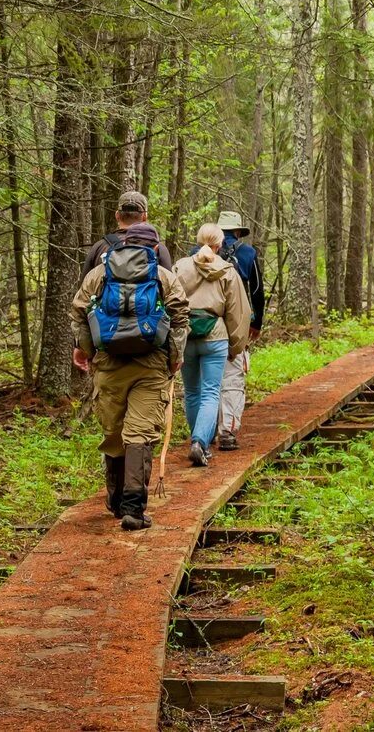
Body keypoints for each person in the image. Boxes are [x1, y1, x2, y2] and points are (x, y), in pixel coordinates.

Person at [70, 238, 189, 530]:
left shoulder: (99, 273)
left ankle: (116, 499)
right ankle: (134, 510)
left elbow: (79, 312)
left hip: (109, 364)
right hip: (150, 364)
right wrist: (175, 356)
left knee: (114, 430)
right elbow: (180, 314)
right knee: (140, 433)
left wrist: (87, 350)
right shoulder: (162, 275)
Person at [173, 224, 251, 467]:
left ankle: (197, 440)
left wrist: (172, 342)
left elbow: (171, 302)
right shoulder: (227, 270)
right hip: (215, 337)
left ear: (198, 240)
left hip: (186, 336)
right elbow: (238, 312)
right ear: (219, 245)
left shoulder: (180, 267)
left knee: (192, 392)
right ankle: (200, 443)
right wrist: (236, 346)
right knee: (210, 392)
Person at [212, 211, 265, 451]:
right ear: (237, 231)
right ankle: (227, 432)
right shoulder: (247, 253)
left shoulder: (196, 254)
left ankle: (204, 431)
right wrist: (256, 323)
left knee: (207, 379)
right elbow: (257, 292)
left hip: (204, 323)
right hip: (237, 323)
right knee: (232, 377)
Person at [81, 190, 173, 278]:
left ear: (117, 216)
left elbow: (84, 289)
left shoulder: (99, 247)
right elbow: (170, 289)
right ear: (145, 217)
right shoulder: (157, 248)